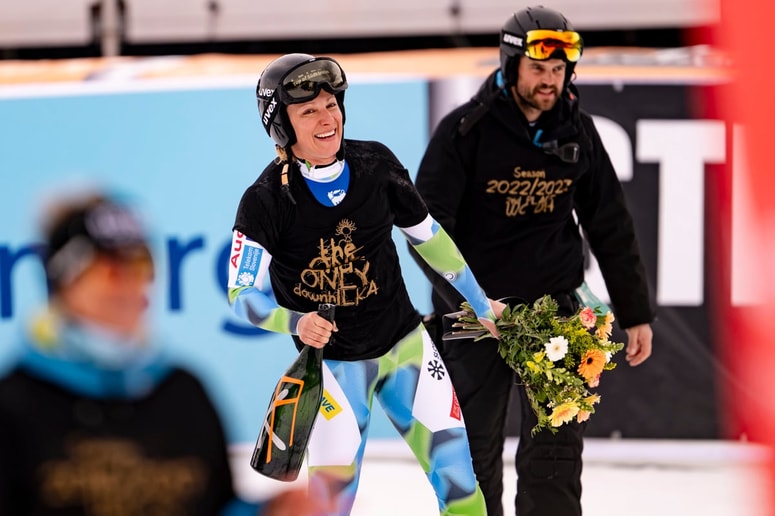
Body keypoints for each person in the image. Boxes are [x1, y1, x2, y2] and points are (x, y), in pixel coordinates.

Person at [226, 53, 504, 515]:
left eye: (331, 104)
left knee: (460, 482)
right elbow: (242, 297)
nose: (327, 118)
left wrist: (479, 303)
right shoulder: (264, 201)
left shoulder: (376, 164)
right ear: (281, 126)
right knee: (329, 506)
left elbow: (429, 238)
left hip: (406, 347)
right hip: (335, 371)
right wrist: (295, 321)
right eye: (308, 111)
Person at [410, 6, 656, 516]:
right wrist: (475, 303)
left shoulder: (577, 131)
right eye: (539, 68)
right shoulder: (464, 131)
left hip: (559, 318)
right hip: (474, 316)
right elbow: (426, 231)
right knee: (472, 456)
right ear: (510, 63)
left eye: (559, 70)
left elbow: (610, 222)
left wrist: (635, 313)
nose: (550, 80)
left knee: (556, 455)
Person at [0, 192, 321, 516]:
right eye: (111, 269)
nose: (129, 285)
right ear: (65, 282)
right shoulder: (13, 406)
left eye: (140, 264)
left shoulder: (183, 394)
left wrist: (267, 513)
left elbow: (216, 508)